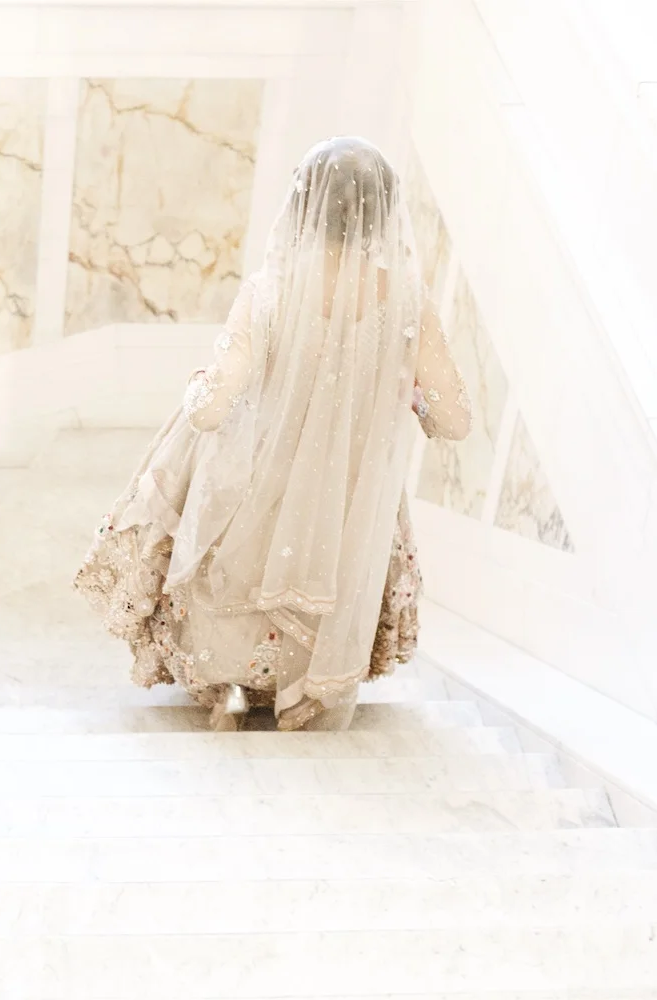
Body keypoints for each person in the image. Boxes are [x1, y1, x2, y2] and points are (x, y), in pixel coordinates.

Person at [75, 136, 472, 732]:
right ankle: (306, 690)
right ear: (384, 213)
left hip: (260, 482)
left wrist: (197, 386)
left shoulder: (274, 290)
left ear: (305, 204)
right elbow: (454, 420)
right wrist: (409, 395)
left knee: (235, 548)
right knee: (325, 571)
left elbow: (211, 411)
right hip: (346, 495)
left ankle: (230, 689)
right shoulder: (408, 301)